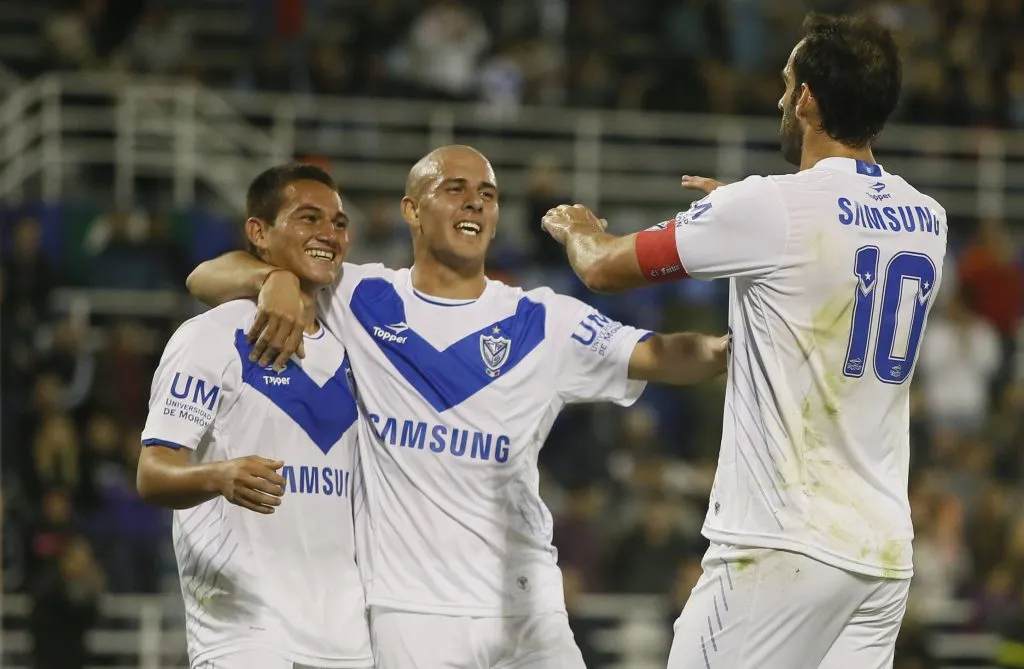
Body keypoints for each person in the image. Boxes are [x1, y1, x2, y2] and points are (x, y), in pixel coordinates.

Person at [186, 144, 728, 669]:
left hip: (526, 607)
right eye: (455, 188)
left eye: (488, 194)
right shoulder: (356, 297)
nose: (476, 202)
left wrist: (739, 345)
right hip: (411, 614)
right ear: (411, 210)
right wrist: (273, 278)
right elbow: (203, 277)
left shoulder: (543, 320)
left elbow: (666, 353)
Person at [541, 13, 947, 669]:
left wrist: (577, 226)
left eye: (788, 85)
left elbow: (602, 266)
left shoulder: (769, 208)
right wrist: (742, 215)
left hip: (783, 542)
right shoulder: (928, 219)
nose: (782, 100)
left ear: (809, 98)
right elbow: (831, 245)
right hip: (881, 554)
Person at [137, 164, 372, 669]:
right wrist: (219, 475)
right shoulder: (211, 337)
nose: (328, 234)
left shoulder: (355, 349)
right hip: (244, 632)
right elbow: (153, 473)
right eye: (309, 218)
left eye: (338, 223)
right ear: (258, 233)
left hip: (347, 640)